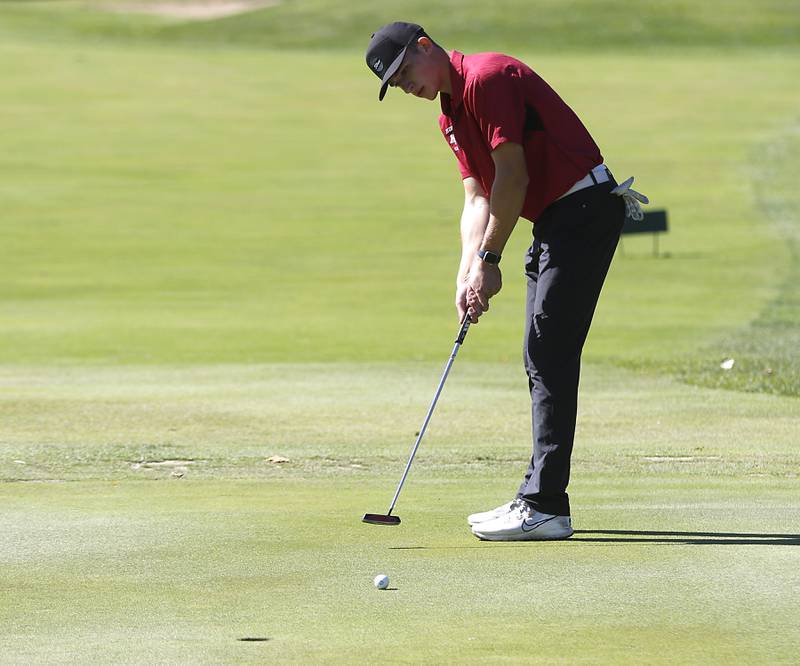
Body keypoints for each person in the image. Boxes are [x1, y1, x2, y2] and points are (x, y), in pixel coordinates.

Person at [365, 22, 647, 541]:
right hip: (555, 220)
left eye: (406, 72)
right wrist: (466, 271)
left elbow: (511, 176)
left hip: (583, 210)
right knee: (539, 354)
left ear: (426, 47)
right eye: (397, 84)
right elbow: (477, 196)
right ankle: (537, 499)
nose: (407, 86)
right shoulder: (450, 117)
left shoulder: (487, 78)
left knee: (549, 353)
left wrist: (491, 259)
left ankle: (545, 506)